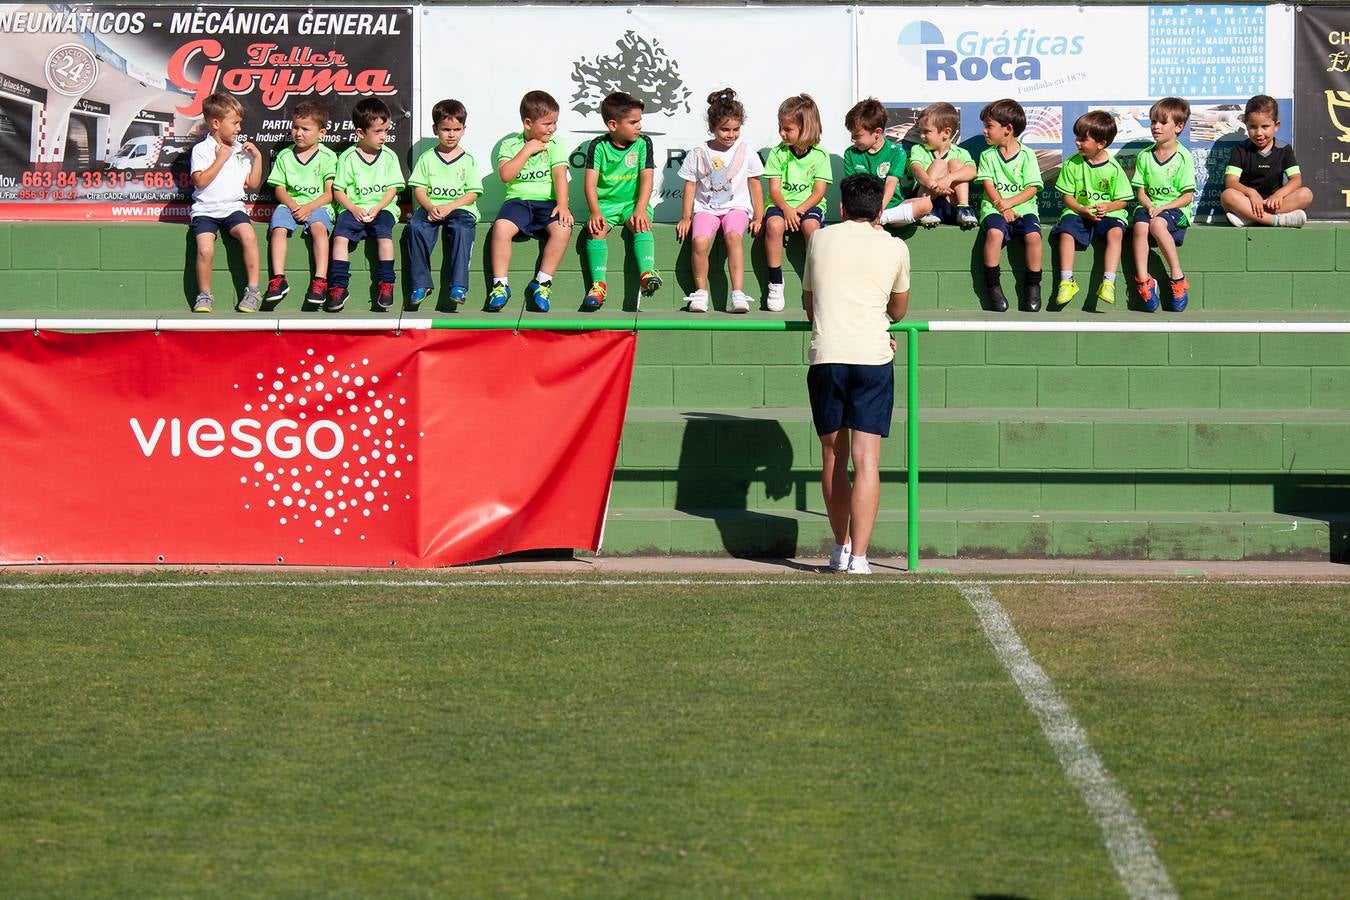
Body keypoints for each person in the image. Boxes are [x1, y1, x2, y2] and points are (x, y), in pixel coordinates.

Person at [802, 174, 909, 576]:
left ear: (842, 208)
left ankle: (839, 549)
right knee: (867, 462)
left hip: (828, 356)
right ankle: (860, 559)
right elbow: (898, 312)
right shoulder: (895, 247)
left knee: (833, 457)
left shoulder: (820, 239)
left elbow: (811, 307)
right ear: (879, 210)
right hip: (872, 357)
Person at [676, 88, 764, 313]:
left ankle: (738, 294)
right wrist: (686, 218)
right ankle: (700, 293)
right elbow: (690, 185)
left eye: (736, 129)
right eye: (725, 129)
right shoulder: (698, 152)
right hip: (706, 209)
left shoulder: (746, 151)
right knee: (699, 242)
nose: (731, 135)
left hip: (736, 208)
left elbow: (755, 184)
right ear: (712, 127)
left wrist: (759, 216)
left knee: (733, 236)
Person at [489, 90, 574, 313]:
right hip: (517, 201)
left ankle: (543, 283)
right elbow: (506, 175)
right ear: (528, 123)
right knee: (500, 228)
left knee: (563, 228)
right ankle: (500, 285)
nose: (552, 128)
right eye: (547, 124)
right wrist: (526, 150)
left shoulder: (556, 144)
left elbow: (559, 175)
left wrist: (563, 205)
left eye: (555, 123)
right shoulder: (510, 145)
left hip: (547, 202)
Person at [583, 92, 660, 310]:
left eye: (640, 121)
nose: (639, 126)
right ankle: (598, 286)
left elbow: (647, 179)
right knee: (595, 230)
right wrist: (596, 212)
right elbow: (590, 184)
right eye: (633, 122)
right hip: (606, 205)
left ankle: (647, 272)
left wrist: (640, 209)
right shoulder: (598, 146)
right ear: (613, 124)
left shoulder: (644, 143)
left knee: (640, 224)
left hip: (633, 204)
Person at [1049, 110, 1133, 310]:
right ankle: (1066, 281)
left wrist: (1108, 206)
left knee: (1115, 232)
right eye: (1077, 137)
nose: (1077, 143)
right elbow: (1067, 197)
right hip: (1079, 212)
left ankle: (1109, 282)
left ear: (1101, 143)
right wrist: (1080, 208)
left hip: (1109, 214)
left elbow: (1123, 201)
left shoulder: (1113, 168)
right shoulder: (1071, 163)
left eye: (1083, 139)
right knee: (1066, 231)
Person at [326, 97, 404, 313]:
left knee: (384, 236)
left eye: (386, 131)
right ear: (360, 133)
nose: (384, 137)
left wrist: (378, 207)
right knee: (340, 238)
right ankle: (339, 287)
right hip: (353, 208)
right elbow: (338, 190)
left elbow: (392, 189)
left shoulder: (389, 156)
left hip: (382, 209)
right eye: (378, 131)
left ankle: (387, 284)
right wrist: (353, 208)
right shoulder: (348, 157)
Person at [188, 92, 263, 313]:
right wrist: (221, 158)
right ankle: (204, 295)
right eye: (235, 123)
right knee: (205, 249)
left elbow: (253, 182)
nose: (239, 128)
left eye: (240, 122)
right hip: (205, 210)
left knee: (249, 236)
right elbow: (200, 182)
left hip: (233, 208)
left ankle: (252, 290)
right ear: (216, 123)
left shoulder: (242, 150)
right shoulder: (201, 150)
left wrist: (257, 158)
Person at [406, 98, 482, 311]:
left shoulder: (468, 160)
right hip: (431, 208)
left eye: (456, 129)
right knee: (416, 227)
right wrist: (430, 207)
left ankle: (458, 286)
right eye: (445, 129)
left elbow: (473, 193)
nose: (451, 134)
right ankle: (421, 285)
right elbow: (418, 188)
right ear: (435, 129)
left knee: (461, 229)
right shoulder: (427, 158)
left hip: (459, 209)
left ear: (464, 129)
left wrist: (450, 207)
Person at [264, 99, 336, 310]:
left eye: (305, 128)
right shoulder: (285, 156)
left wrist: (309, 208)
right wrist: (294, 205)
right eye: (295, 127)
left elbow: (329, 193)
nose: (299, 133)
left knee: (318, 228)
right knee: (278, 229)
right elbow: (279, 189)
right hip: (290, 205)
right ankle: (278, 279)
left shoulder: (328, 157)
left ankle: (320, 281)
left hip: (318, 206)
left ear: (321, 133)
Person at [763, 93, 831, 312]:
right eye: (780, 127)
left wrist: (799, 211)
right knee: (774, 225)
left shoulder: (820, 155)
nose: (782, 133)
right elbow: (774, 190)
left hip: (809, 207)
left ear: (806, 128)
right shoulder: (777, 153)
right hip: (781, 205)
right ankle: (775, 282)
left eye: (788, 129)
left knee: (811, 227)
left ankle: (816, 283)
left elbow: (819, 192)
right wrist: (787, 210)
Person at [975, 98, 1043, 313]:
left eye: (989, 126)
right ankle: (993, 286)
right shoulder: (987, 155)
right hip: (994, 208)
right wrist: (1002, 206)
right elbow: (988, 184)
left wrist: (1011, 204)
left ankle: (1033, 285)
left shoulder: (1028, 155)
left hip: (1024, 209)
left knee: (1033, 237)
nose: (985, 131)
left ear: (1008, 129)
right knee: (994, 233)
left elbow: (1032, 188)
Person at [1131, 97, 1195, 312]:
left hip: (1176, 210)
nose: (1156, 127)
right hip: (1151, 207)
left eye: (1162, 122)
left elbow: (1187, 197)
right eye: (1153, 122)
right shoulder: (1145, 156)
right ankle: (1143, 281)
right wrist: (1149, 205)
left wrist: (1163, 208)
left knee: (1158, 224)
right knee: (1140, 226)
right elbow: (1141, 192)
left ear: (1178, 126)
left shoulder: (1184, 157)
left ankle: (1177, 278)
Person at [1221, 94, 1313, 228]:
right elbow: (1231, 182)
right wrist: (1251, 194)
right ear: (1246, 125)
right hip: (1248, 202)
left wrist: (1279, 195)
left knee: (1306, 194)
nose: (1259, 133)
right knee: (1227, 196)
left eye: (1265, 127)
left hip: (1274, 204)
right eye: (1253, 127)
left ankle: (1250, 217)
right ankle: (1277, 221)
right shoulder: (1240, 150)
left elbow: (1296, 180)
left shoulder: (1284, 149)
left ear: (1276, 126)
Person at [904, 102, 978, 229]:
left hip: (952, 204)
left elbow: (972, 171)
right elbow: (916, 170)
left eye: (926, 131)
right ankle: (925, 211)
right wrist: (934, 185)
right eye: (920, 131)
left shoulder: (961, 153)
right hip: (926, 203)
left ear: (946, 133)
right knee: (939, 163)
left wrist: (948, 179)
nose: (921, 136)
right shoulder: (918, 149)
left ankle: (964, 210)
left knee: (956, 163)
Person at [842, 97, 908, 223]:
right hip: (862, 211)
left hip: (891, 207)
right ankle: (875, 222)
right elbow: (851, 189)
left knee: (924, 205)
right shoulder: (850, 153)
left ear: (877, 132)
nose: (852, 139)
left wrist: (879, 210)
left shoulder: (897, 153)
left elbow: (891, 184)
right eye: (851, 134)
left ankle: (880, 219)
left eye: (857, 136)